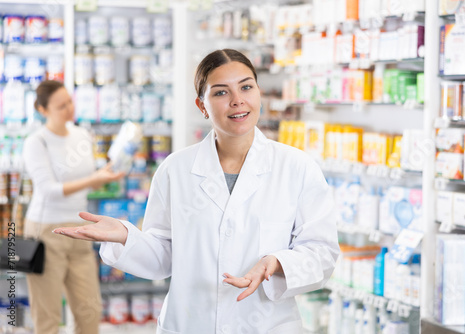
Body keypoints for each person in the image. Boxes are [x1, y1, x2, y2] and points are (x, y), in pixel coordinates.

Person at [54, 49, 340, 334]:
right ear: (201, 105)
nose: (238, 100)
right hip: (190, 323)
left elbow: (322, 252)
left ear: (258, 93)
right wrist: (127, 236)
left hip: (266, 325)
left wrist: (275, 262)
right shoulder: (175, 170)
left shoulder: (297, 167)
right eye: (220, 93)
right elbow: (164, 256)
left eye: (246, 87)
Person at [22, 80, 125, 334]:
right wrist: (95, 179)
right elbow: (47, 190)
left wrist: (108, 174)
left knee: (90, 311)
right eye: (61, 106)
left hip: (81, 231)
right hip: (46, 232)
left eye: (70, 101)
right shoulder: (37, 142)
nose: (69, 109)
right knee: (48, 316)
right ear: (42, 110)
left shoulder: (82, 135)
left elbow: (87, 181)